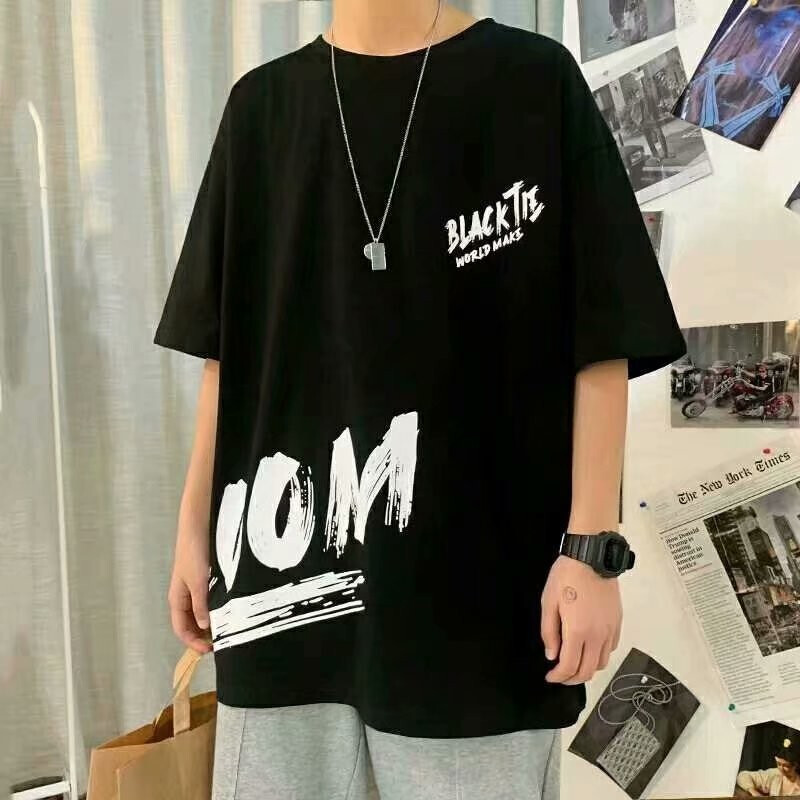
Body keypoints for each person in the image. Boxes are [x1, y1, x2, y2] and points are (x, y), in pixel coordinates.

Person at [153, 1, 686, 798]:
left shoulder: (532, 83)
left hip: (477, 600)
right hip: (283, 583)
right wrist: (193, 526)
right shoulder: (261, 108)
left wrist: (590, 549)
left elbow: (601, 334)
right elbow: (226, 353)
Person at [736, 736, 800, 796]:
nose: (781, 768)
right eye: (779, 764)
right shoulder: (775, 774)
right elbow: (742, 776)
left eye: (786, 766)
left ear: (795, 765)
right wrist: (754, 792)